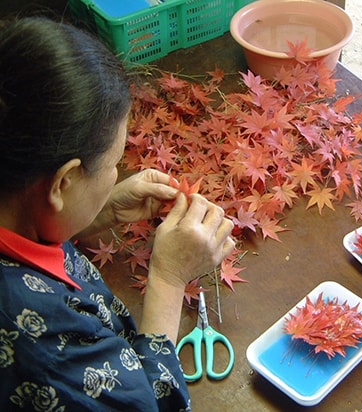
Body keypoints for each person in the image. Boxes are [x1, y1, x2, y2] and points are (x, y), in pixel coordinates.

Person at [0, 16, 235, 411]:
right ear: (62, 183)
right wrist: (169, 278)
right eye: (113, 163)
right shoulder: (42, 348)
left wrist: (101, 210)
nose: (116, 175)